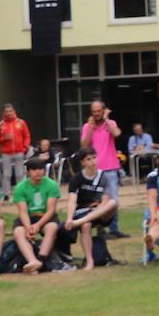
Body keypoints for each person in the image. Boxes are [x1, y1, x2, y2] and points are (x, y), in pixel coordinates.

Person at [62, 148, 118, 270]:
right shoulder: (77, 179)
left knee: (113, 202)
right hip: (82, 212)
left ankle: (80, 222)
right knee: (86, 226)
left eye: (94, 157)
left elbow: (105, 200)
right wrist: (69, 218)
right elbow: (72, 200)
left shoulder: (103, 177)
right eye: (88, 159)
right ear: (83, 163)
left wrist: (98, 208)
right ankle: (90, 261)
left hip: (100, 212)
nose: (93, 161)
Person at [79, 100, 127, 238]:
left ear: (103, 110)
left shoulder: (110, 123)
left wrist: (107, 120)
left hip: (111, 167)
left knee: (113, 199)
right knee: (98, 200)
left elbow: (117, 134)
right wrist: (90, 129)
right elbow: (84, 145)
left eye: (98, 111)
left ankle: (114, 229)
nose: (96, 114)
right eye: (93, 111)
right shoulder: (87, 126)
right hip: (95, 169)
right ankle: (101, 229)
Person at [11, 158, 61, 273]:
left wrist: (38, 225)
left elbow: (51, 210)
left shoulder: (52, 184)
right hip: (28, 216)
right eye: (34, 169)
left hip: (45, 216)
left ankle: (41, 260)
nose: (38, 172)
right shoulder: (20, 188)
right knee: (18, 231)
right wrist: (28, 227)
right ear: (28, 172)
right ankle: (32, 260)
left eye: (40, 169)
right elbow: (22, 212)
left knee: (52, 228)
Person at [0, 103, 31, 198]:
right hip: (6, 153)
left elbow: (27, 136)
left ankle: (20, 193)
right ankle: (6, 194)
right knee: (6, 174)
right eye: (6, 111)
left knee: (20, 174)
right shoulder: (0, 125)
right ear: (3, 113)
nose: (9, 113)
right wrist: (4, 138)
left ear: (14, 111)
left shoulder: (21, 123)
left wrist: (25, 147)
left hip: (19, 152)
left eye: (10, 111)